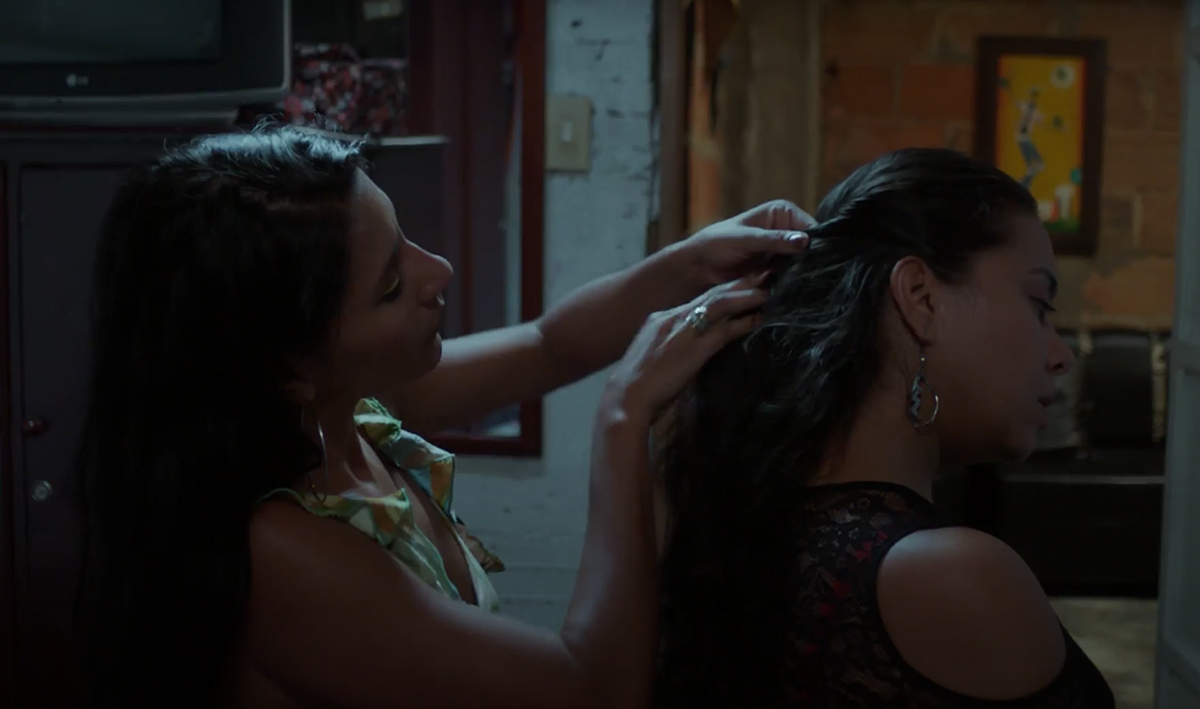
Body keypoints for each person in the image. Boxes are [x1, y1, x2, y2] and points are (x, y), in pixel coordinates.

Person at [75, 126, 813, 708]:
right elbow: (593, 691)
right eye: (391, 285)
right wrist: (624, 419)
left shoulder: (351, 416)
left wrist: (692, 264)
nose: (439, 272)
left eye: (404, 240)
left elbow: (549, 345)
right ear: (289, 369)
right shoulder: (282, 556)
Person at [653, 148, 1116, 708]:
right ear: (920, 297)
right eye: (1039, 303)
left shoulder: (756, 530)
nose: (1061, 355)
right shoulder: (953, 579)